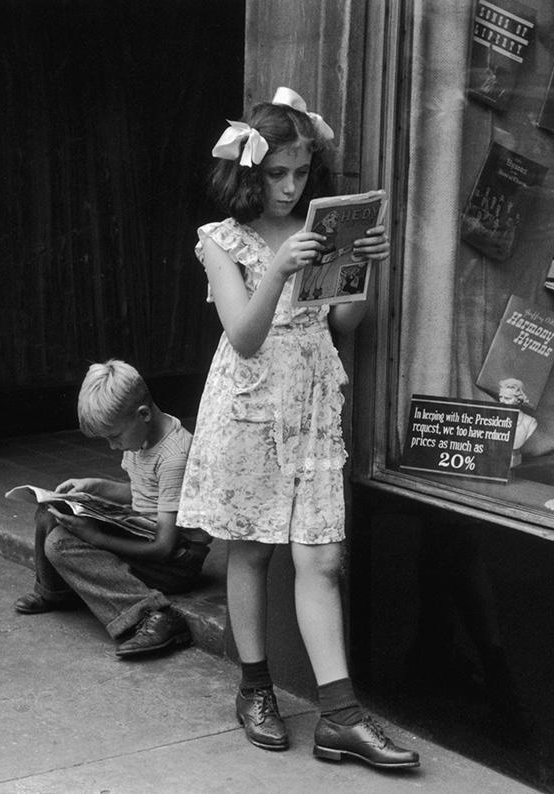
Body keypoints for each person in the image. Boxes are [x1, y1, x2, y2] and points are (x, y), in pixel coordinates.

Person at [177, 86, 418, 769]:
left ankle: (340, 717)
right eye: (275, 174)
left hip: (310, 399)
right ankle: (254, 687)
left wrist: (357, 266)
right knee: (251, 549)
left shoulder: (321, 230)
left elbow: (343, 325)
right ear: (249, 173)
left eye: (300, 173)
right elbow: (244, 337)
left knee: (323, 556)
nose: (289, 187)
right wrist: (280, 268)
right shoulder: (220, 241)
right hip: (250, 401)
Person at [12, 360, 211, 658]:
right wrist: (95, 486)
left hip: (176, 562)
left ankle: (153, 615)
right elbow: (142, 494)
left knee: (62, 545)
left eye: (114, 437)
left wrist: (96, 538)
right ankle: (54, 591)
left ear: (142, 414)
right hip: (144, 536)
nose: (112, 446)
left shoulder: (173, 457)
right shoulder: (143, 438)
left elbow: (165, 547)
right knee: (49, 512)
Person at [497, 377, 537, 467]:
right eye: (500, 397)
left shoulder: (529, 422)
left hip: (514, 459)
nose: (502, 402)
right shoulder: (492, 419)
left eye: (507, 398)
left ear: (518, 400)